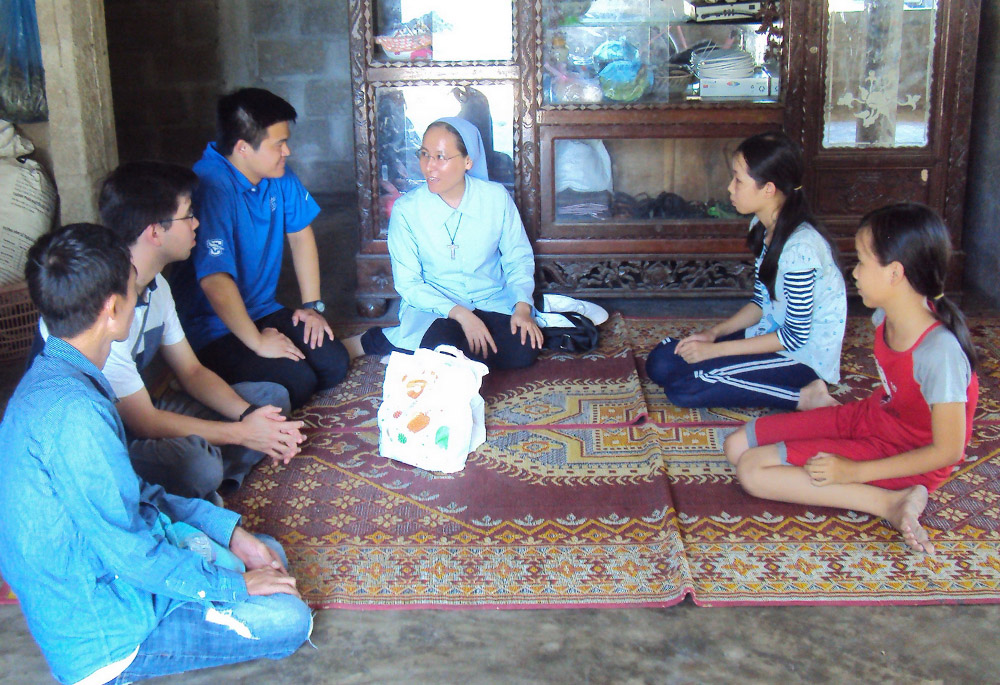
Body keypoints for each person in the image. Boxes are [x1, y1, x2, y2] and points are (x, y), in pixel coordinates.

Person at [0, 224, 311, 685]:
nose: (140, 293)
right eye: (133, 287)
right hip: (104, 631)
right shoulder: (73, 413)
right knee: (289, 618)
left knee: (264, 551)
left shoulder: (60, 374)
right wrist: (234, 585)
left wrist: (229, 532)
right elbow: (130, 553)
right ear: (112, 309)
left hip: (109, 572)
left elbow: (135, 493)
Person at [35, 162, 306, 502]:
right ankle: (197, 484)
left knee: (270, 401)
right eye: (189, 215)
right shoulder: (105, 308)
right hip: (109, 436)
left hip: (145, 409)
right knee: (199, 464)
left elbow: (191, 371)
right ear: (155, 231)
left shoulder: (156, 283)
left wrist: (251, 419)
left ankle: (204, 480)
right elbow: (143, 422)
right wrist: (241, 433)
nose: (197, 224)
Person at [723, 203, 979, 554]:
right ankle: (883, 493)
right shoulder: (882, 318)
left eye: (860, 261)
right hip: (871, 419)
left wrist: (853, 472)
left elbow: (949, 451)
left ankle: (888, 503)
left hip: (908, 453)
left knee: (753, 471)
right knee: (736, 446)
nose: (853, 273)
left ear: (894, 273)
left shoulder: (939, 352)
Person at [171, 87, 349, 410]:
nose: (288, 151)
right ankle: (201, 389)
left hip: (262, 309)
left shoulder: (276, 174)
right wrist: (258, 343)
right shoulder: (211, 186)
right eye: (279, 144)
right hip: (214, 326)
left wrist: (311, 307)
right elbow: (215, 281)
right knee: (298, 380)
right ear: (242, 148)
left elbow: (300, 235)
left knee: (334, 362)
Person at [645, 131, 846, 410]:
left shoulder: (801, 249)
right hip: (769, 335)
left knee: (684, 388)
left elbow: (794, 337)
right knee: (662, 361)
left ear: (768, 188)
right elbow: (761, 303)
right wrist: (713, 335)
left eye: (738, 180)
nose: (730, 188)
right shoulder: (762, 226)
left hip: (801, 357)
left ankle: (805, 396)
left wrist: (716, 351)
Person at [344, 117, 542, 368]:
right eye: (424, 154)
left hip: (490, 300)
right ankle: (380, 340)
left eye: (440, 157)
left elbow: (518, 258)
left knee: (523, 350)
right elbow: (409, 284)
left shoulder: (496, 198)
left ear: (468, 161)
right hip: (436, 308)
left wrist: (522, 307)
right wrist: (461, 314)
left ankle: (413, 349)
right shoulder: (407, 210)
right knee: (443, 344)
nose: (428, 167)